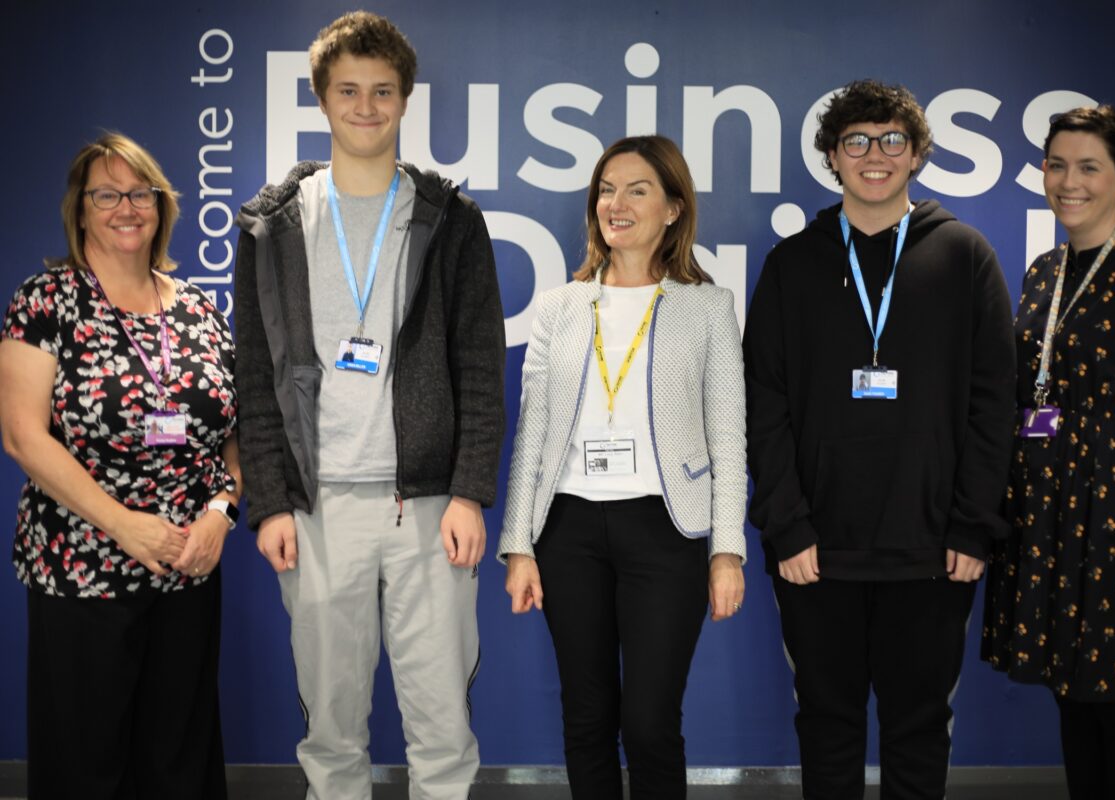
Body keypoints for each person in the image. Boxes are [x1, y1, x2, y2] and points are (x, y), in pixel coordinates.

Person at [233, 11, 505, 800]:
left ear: (404, 100)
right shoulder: (271, 225)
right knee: (331, 729)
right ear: (322, 99)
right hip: (317, 513)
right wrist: (271, 503)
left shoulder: (452, 220)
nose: (365, 106)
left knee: (443, 729)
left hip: (424, 510)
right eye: (348, 90)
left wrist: (469, 492)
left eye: (382, 91)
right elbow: (256, 375)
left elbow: (480, 369)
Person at [743, 80, 1016, 799]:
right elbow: (763, 405)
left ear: (918, 153)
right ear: (833, 157)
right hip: (815, 552)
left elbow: (996, 403)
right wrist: (787, 525)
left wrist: (972, 524)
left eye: (892, 140)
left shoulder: (964, 256)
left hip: (933, 551)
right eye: (857, 141)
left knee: (918, 727)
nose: (875, 155)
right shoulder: (792, 263)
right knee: (827, 725)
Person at [499, 135, 746, 799]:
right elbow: (534, 432)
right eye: (607, 189)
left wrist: (728, 552)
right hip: (569, 530)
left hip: (667, 531)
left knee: (649, 722)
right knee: (587, 715)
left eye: (638, 189)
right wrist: (518, 546)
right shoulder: (559, 308)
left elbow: (729, 435)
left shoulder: (708, 307)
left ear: (673, 208)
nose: (617, 202)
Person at [0, 133, 240, 798]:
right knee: (86, 762)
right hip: (82, 567)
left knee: (178, 760)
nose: (125, 208)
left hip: (187, 566)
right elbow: (22, 435)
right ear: (80, 211)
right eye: (106, 194)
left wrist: (222, 512)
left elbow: (234, 433)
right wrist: (123, 524)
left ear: (162, 207)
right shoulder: (46, 301)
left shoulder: (197, 308)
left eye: (140, 194)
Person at [983, 105, 1115, 800]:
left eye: (1088, 168)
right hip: (1048, 525)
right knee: (1072, 697)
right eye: (1056, 165)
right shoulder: (1044, 273)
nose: (1068, 182)